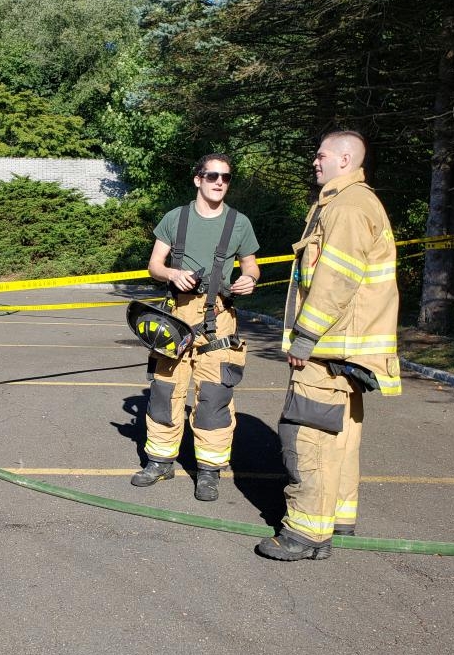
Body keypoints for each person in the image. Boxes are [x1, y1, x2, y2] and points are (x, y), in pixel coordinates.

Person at [257, 130, 401, 561]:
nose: (314, 162)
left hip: (328, 351)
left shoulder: (348, 207)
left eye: (320, 155)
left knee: (308, 436)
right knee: (339, 437)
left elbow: (334, 280)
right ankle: (335, 517)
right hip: (344, 350)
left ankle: (305, 534)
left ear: (344, 158)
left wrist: (305, 337)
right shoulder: (347, 203)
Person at [130, 153, 261, 502]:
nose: (219, 182)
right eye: (212, 175)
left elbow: (252, 266)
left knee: (214, 399)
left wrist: (249, 279)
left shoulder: (239, 223)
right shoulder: (176, 218)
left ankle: (209, 471)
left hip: (220, 319)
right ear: (197, 179)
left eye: (226, 177)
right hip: (175, 318)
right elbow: (154, 265)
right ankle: (159, 461)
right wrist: (172, 273)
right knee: (164, 391)